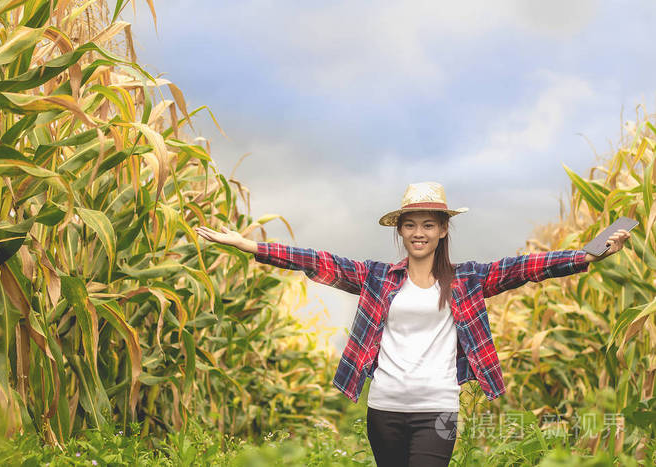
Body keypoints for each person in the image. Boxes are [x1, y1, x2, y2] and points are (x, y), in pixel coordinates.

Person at [193, 181, 631, 467]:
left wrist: (588, 255)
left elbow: (527, 266)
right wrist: (250, 245)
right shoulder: (377, 277)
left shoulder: (470, 279)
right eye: (410, 225)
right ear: (400, 231)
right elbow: (316, 261)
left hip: (437, 407)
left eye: (429, 224)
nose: (419, 232)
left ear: (443, 231)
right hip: (383, 408)